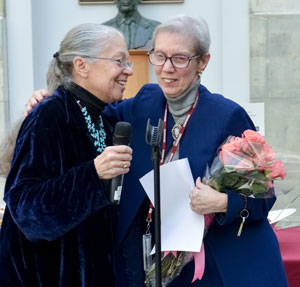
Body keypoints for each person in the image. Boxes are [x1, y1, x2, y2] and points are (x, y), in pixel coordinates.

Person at [25, 16, 287, 287]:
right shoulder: (143, 102)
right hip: (147, 263)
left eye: (180, 58)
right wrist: (50, 100)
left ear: (203, 62)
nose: (167, 68)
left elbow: (263, 198)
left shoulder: (228, 116)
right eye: (159, 56)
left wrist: (222, 203)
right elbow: (87, 115)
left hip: (215, 268)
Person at [0, 23, 133, 287]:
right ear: (82, 66)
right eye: (120, 61)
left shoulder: (103, 121)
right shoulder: (49, 116)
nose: (128, 70)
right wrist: (92, 174)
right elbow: (26, 210)